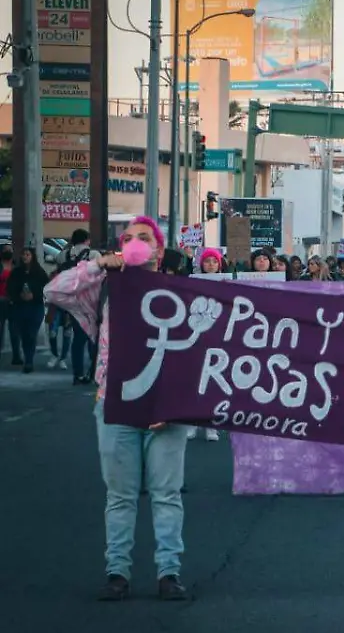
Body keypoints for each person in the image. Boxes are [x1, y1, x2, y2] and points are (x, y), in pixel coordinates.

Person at [44, 216, 191, 601]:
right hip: (115, 405)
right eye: (128, 238)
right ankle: (117, 573)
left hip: (166, 408)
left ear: (158, 250)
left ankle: (169, 573)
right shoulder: (105, 289)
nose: (136, 243)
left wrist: (175, 404)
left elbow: (195, 356)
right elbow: (55, 291)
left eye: (144, 238)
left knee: (166, 494)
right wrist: (95, 265)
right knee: (120, 496)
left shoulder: (181, 292)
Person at [6, 247, 50, 373]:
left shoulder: (39, 272)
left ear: (32, 256)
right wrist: (18, 295)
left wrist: (34, 295)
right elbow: (10, 287)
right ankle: (27, 359)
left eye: (27, 254)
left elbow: (46, 288)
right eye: (23, 254)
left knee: (31, 334)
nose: (25, 257)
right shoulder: (16, 272)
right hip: (20, 307)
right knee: (23, 334)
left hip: (35, 308)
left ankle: (29, 361)